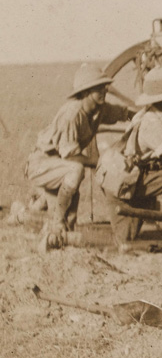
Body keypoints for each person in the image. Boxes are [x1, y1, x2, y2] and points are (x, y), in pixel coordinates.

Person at [100, 66, 162, 250]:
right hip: (125, 185)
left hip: (124, 180)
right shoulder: (155, 124)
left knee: (128, 236)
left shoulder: (146, 115)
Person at [25, 64, 113, 251]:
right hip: (42, 163)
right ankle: (54, 221)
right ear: (86, 91)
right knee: (75, 170)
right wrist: (101, 161)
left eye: (104, 87)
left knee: (69, 222)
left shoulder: (98, 109)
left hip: (59, 166)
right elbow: (71, 156)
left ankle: (38, 218)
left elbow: (123, 114)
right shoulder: (72, 113)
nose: (103, 91)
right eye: (98, 88)